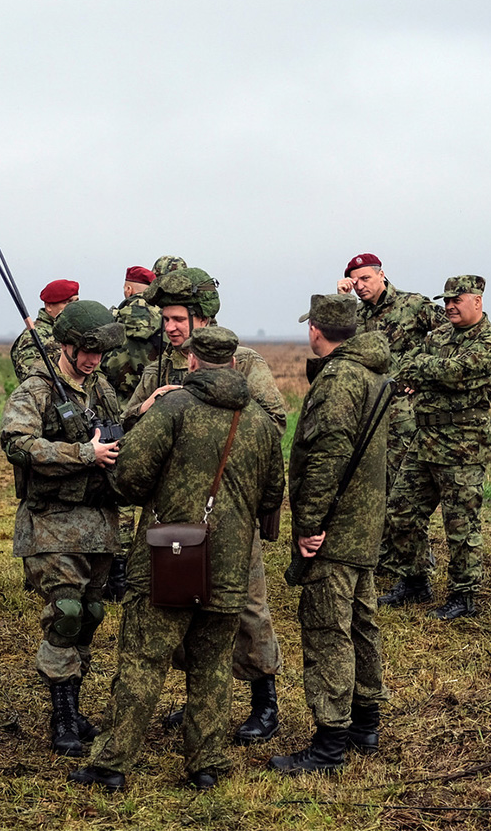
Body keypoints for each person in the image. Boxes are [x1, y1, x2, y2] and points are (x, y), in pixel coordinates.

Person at [69, 327, 285, 792]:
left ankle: (110, 766)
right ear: (234, 363)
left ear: (191, 362)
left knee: (143, 660)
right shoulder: (262, 423)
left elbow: (127, 480)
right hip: (230, 566)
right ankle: (206, 765)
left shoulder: (172, 409)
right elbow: (272, 495)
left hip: (170, 557)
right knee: (212, 664)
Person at [122, 266, 288, 744]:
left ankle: (264, 701)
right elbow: (131, 420)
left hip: (230, 508)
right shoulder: (159, 365)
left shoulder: (243, 360)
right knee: (178, 604)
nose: (170, 328)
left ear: (201, 319)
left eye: (178, 319)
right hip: (175, 513)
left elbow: (272, 425)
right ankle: (200, 707)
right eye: (165, 319)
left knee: (247, 606)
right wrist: (151, 407)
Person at [269, 294, 391, 775]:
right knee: (362, 623)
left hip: (335, 531)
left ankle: (329, 744)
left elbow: (326, 457)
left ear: (317, 330)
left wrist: (308, 525)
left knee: (327, 631)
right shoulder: (373, 372)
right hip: (361, 526)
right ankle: (365, 724)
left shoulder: (340, 378)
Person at [0, 300, 125, 756]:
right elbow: (16, 443)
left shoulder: (101, 388)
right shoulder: (37, 389)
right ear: (65, 345)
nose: (92, 361)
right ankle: (62, 716)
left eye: (99, 354)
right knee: (67, 612)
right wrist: (80, 455)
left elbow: (114, 431)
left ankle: (73, 703)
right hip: (51, 522)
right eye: (84, 352)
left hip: (98, 522)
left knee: (90, 616)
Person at [379, 276, 491, 621]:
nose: (450, 305)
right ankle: (414, 580)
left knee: (461, 526)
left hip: (462, 445)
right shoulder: (437, 336)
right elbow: (407, 367)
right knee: (401, 510)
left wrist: (423, 370)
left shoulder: (489, 343)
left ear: (477, 301)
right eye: (447, 300)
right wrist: (420, 370)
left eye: (458, 299)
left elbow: (456, 373)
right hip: (425, 441)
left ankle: (463, 596)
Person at [335, 253, 447, 572]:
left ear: (382, 275)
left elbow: (449, 332)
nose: (359, 286)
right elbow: (333, 342)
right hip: (367, 412)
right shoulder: (354, 314)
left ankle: (416, 562)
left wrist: (420, 371)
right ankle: (386, 555)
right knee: (375, 483)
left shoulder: (412, 305)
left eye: (365, 279)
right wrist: (342, 301)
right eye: (354, 282)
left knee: (402, 487)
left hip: (404, 414)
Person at [101, 265, 163, 404]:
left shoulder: (113, 319)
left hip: (121, 404)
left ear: (129, 289)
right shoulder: (169, 318)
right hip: (160, 400)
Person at [10, 279, 80, 381]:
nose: (74, 307)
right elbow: (29, 376)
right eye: (67, 303)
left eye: (76, 302)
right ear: (49, 306)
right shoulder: (33, 336)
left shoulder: (74, 331)